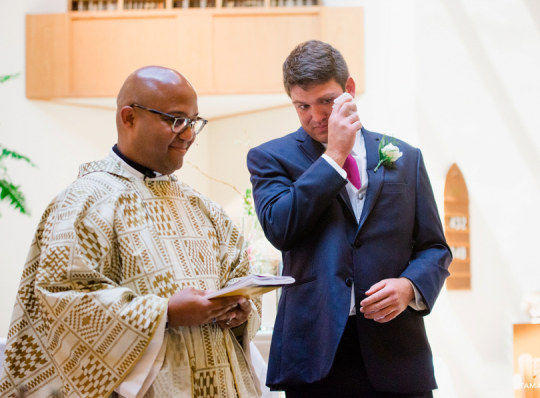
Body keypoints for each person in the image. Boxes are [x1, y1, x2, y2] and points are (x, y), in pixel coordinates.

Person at [0, 66, 262, 398]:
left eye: (194, 121)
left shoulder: (204, 209)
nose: (189, 134)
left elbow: (240, 278)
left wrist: (239, 311)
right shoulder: (83, 203)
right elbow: (62, 302)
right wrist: (164, 313)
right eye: (176, 120)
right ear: (129, 118)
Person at [247, 40, 452, 398]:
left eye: (326, 101)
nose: (316, 116)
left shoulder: (406, 157)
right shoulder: (270, 158)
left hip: (397, 353)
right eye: (302, 106)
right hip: (316, 354)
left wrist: (409, 287)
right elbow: (281, 228)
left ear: (350, 90)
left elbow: (435, 248)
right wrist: (334, 154)